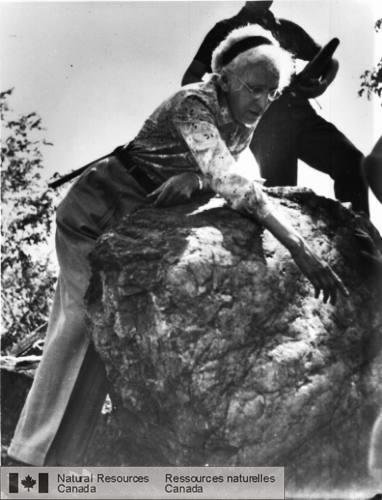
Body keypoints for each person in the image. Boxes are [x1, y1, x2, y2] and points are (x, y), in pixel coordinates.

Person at [9, 25, 348, 466]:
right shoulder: (193, 103)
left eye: (271, 92)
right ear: (224, 79)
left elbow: (220, 172)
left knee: (101, 344)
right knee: (77, 325)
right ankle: (25, 463)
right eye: (255, 90)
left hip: (135, 218)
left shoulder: (242, 119)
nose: (263, 102)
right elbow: (234, 182)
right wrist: (299, 248)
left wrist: (197, 177)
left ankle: (59, 466)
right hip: (96, 210)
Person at [182, 1, 369, 215]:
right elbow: (190, 78)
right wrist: (224, 108)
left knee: (352, 161)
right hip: (265, 125)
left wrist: (321, 85)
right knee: (283, 199)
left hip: (301, 113)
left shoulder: (286, 29)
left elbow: (330, 60)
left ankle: (359, 238)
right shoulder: (225, 29)